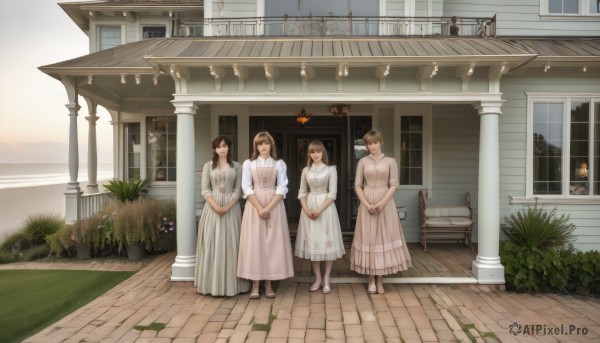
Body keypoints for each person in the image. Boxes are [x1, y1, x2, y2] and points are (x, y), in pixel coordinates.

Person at [350, 130, 412, 294]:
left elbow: (394, 185)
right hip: (367, 201)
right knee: (370, 238)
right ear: (367, 146)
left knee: (383, 238)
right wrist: (366, 204)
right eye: (369, 143)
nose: (372, 146)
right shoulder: (362, 161)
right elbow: (357, 185)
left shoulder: (391, 161)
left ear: (381, 142)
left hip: (386, 203)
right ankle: (371, 278)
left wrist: (382, 203)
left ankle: (380, 279)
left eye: (375, 142)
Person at [237, 131, 294, 299]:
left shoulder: (279, 164)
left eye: (266, 143)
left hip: (274, 205)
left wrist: (268, 207)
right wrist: (259, 208)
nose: (263, 146)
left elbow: (283, 187)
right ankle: (255, 283)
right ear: (256, 146)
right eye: (260, 143)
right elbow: (246, 187)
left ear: (271, 145)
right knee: (255, 243)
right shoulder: (249, 164)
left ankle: (269, 283)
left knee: (271, 243)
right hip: (254, 205)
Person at [195, 136, 250, 296]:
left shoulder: (238, 166)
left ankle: (234, 285)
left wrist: (228, 207)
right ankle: (211, 285)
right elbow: (205, 190)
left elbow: (238, 190)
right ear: (214, 149)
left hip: (231, 209)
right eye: (219, 146)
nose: (222, 149)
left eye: (225, 145)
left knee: (231, 243)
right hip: (212, 209)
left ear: (229, 147)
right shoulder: (207, 166)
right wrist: (216, 206)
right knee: (213, 243)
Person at [294, 140, 345, 294]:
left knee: (327, 243)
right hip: (308, 207)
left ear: (323, 153)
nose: (315, 154)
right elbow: (302, 191)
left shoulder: (331, 170)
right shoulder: (306, 170)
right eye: (312, 152)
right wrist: (307, 209)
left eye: (318, 151)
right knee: (313, 243)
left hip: (326, 208)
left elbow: (333, 193)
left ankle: (327, 279)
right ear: (309, 154)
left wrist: (320, 209)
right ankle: (317, 279)